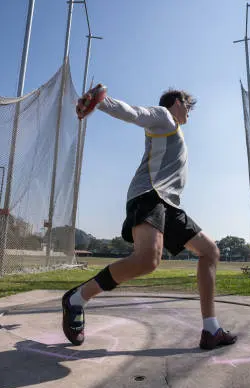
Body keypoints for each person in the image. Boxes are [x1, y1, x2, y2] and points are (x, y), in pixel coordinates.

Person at [62, 87, 237, 350]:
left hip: (168, 203)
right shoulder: (164, 117)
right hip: (149, 195)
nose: (190, 112)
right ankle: (77, 298)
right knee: (147, 261)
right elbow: (135, 113)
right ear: (177, 102)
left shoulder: (173, 131)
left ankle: (211, 330)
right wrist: (100, 102)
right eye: (188, 106)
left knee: (210, 251)